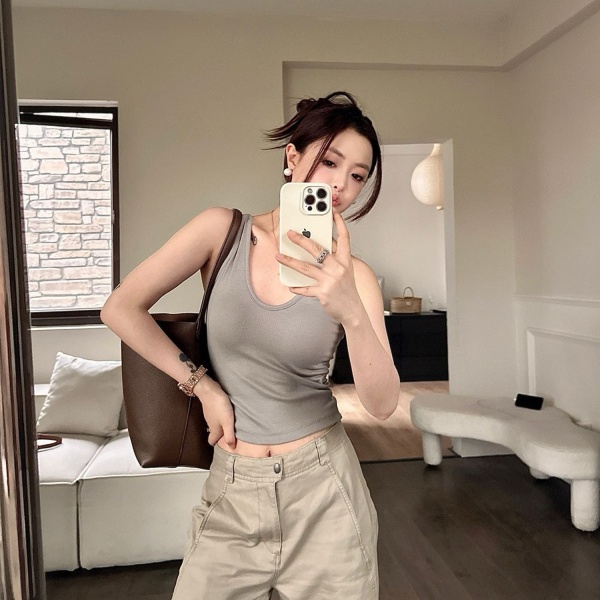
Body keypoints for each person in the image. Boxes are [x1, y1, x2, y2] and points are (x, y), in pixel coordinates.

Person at [101, 91, 400, 600]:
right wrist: (203, 386)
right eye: (330, 162)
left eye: (357, 175)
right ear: (292, 156)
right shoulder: (222, 231)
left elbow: (384, 403)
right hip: (234, 487)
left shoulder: (358, 277)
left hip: (325, 489)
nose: (340, 186)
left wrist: (351, 308)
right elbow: (120, 308)